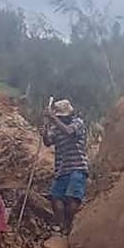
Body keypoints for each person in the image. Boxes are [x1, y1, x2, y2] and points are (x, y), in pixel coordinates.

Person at [41, 99, 89, 235]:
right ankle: (61, 226)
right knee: (56, 198)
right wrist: (45, 131)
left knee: (72, 199)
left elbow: (69, 132)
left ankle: (68, 226)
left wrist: (53, 118)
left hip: (77, 167)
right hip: (61, 169)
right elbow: (48, 142)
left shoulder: (78, 123)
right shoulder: (56, 128)